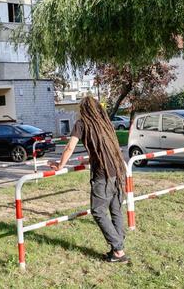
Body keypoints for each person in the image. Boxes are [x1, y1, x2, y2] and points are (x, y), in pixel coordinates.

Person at [48, 96, 129, 263]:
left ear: (83, 110)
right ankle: (117, 249)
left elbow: (70, 147)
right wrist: (89, 160)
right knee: (116, 211)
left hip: (104, 175)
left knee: (98, 211)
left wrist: (60, 165)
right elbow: (102, 149)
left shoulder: (82, 123)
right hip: (119, 171)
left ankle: (118, 249)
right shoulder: (104, 123)